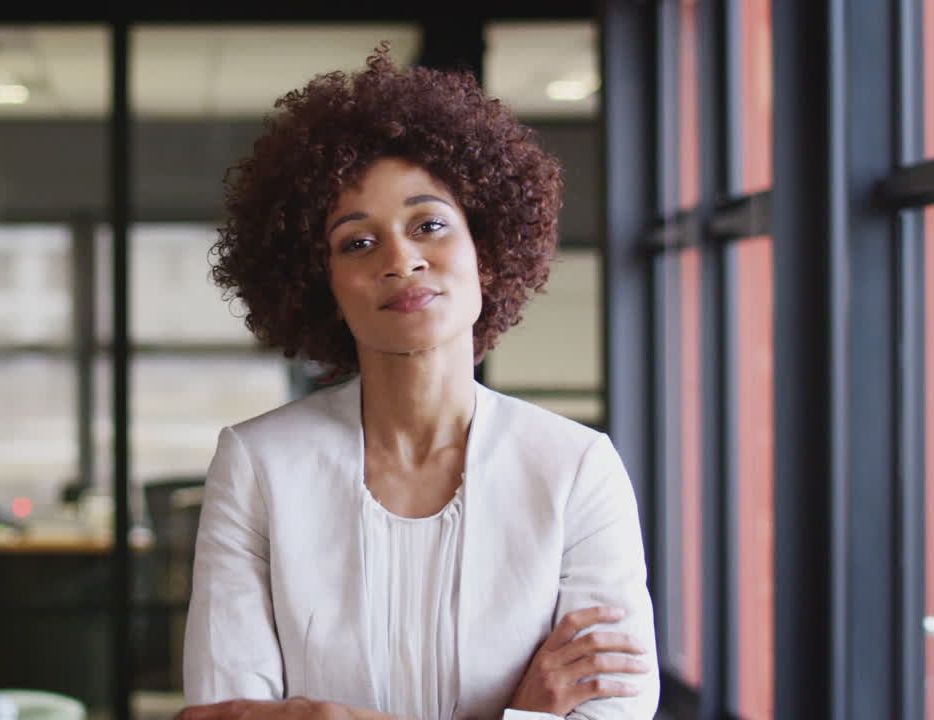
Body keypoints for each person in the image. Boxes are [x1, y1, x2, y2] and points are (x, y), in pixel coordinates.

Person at [177, 44, 658, 720]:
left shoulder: (576, 468)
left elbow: (615, 710)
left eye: (429, 225)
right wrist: (520, 713)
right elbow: (223, 713)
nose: (402, 259)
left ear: (485, 254)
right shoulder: (258, 465)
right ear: (323, 285)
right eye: (358, 242)